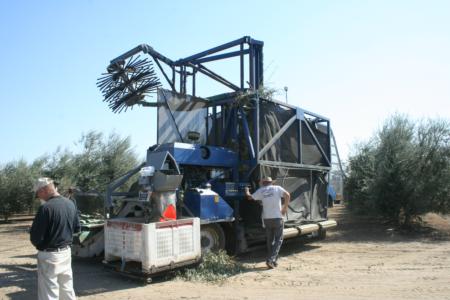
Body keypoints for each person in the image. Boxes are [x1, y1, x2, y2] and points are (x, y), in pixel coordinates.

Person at [30, 177, 80, 300]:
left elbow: (36, 238)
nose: (39, 198)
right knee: (67, 289)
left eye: (38, 194)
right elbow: (77, 229)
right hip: (66, 252)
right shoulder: (70, 204)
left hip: (49, 256)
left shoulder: (45, 208)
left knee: (49, 293)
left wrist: (34, 231)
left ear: (44, 190)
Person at [245, 177, 290, 269]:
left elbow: (249, 198)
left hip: (267, 219)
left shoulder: (261, 190)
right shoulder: (277, 188)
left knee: (270, 240)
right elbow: (287, 195)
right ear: (271, 183)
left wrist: (246, 191)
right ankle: (270, 260)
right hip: (277, 218)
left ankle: (273, 261)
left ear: (263, 183)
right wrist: (285, 207)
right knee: (278, 240)